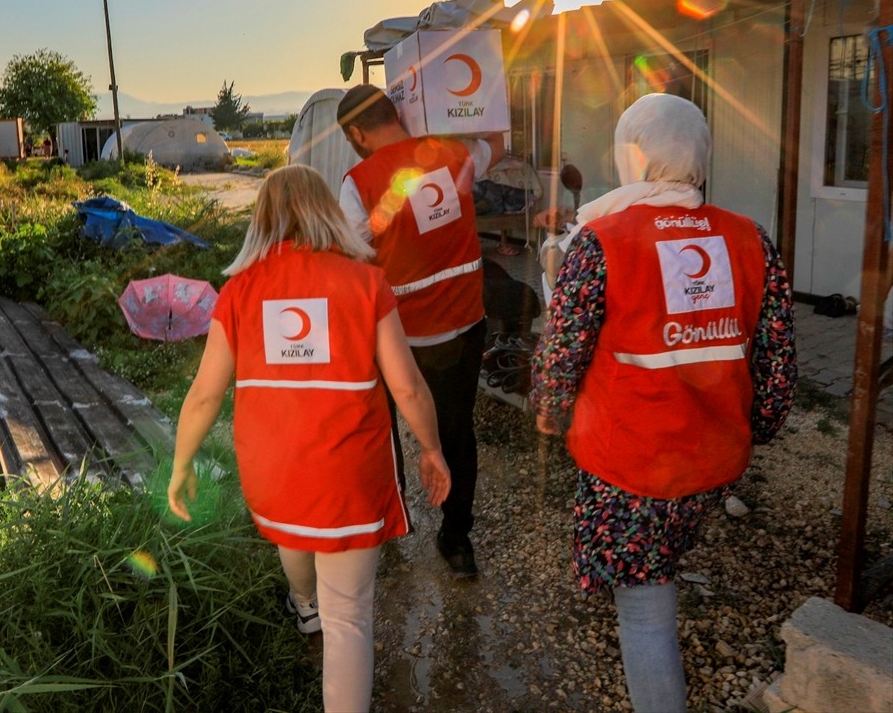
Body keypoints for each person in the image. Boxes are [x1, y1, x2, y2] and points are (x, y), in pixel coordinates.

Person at [529, 93, 797, 713]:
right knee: (662, 554)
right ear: (700, 154)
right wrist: (760, 426)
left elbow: (563, 351)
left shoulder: (601, 241)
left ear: (634, 156)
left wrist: (549, 414)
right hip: (714, 460)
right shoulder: (751, 237)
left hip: (632, 464)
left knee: (645, 608)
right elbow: (777, 364)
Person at [168, 164, 451, 713]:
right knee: (350, 620)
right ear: (325, 211)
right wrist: (432, 448)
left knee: (293, 536)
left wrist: (181, 465)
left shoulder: (239, 291)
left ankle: (303, 603)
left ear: (263, 219)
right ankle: (319, 617)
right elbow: (409, 388)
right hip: (348, 474)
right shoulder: (367, 282)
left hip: (272, 470)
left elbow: (204, 396)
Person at [335, 83, 504, 578]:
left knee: (384, 432)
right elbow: (498, 138)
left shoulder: (359, 182)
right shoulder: (453, 153)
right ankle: (456, 543)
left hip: (398, 338)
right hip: (464, 323)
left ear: (356, 133)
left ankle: (393, 522)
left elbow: (350, 259)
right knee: (457, 432)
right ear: (399, 114)